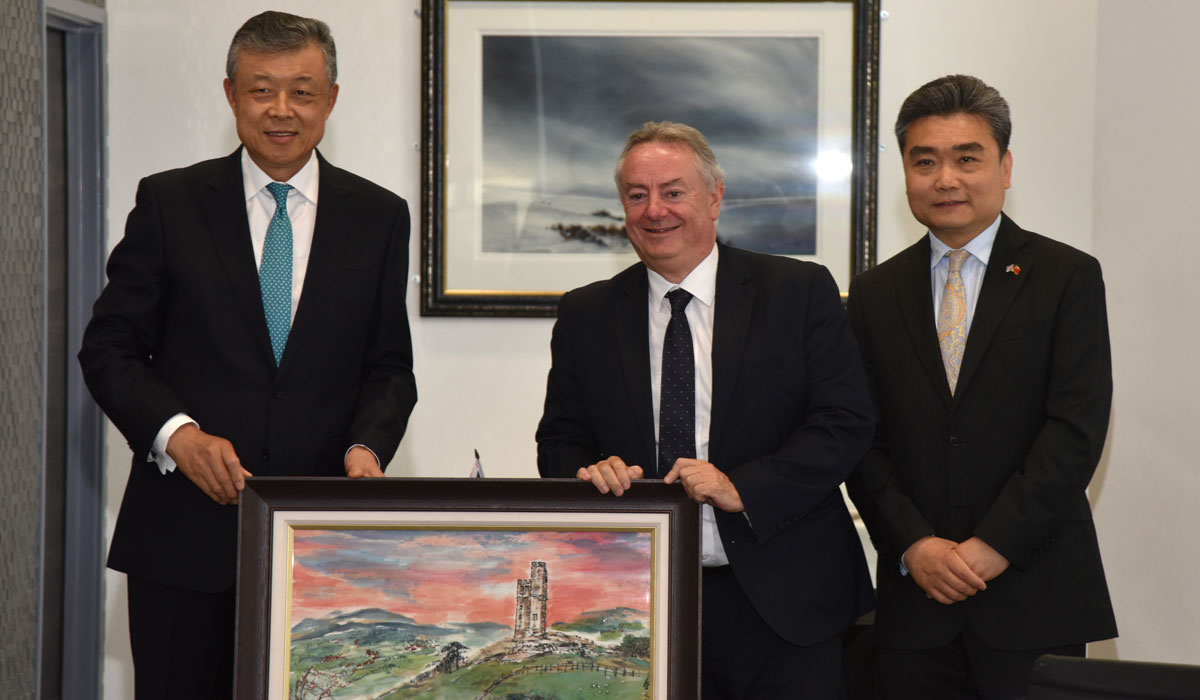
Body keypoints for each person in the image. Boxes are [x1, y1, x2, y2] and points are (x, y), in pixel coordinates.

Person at [78, 11, 417, 699]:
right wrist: (179, 436)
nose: (282, 110)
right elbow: (109, 348)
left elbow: (388, 367)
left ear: (332, 98)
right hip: (182, 544)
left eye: (302, 90)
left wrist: (367, 448)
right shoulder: (170, 201)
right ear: (231, 94)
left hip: (322, 550)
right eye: (262, 90)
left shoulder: (379, 215)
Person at [536, 121, 875, 698]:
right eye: (637, 195)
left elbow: (845, 422)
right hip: (643, 606)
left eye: (674, 191)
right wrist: (591, 471)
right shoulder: (586, 314)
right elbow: (559, 442)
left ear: (715, 197)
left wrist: (743, 486)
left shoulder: (797, 291)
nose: (654, 210)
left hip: (786, 603)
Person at [846, 74, 1117, 699]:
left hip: (1034, 590)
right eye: (926, 161)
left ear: (1005, 165)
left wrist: (996, 543)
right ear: (907, 173)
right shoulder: (874, 292)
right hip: (916, 604)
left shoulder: (1067, 276)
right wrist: (914, 545)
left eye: (968, 158)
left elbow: (1075, 429)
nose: (946, 179)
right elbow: (859, 436)